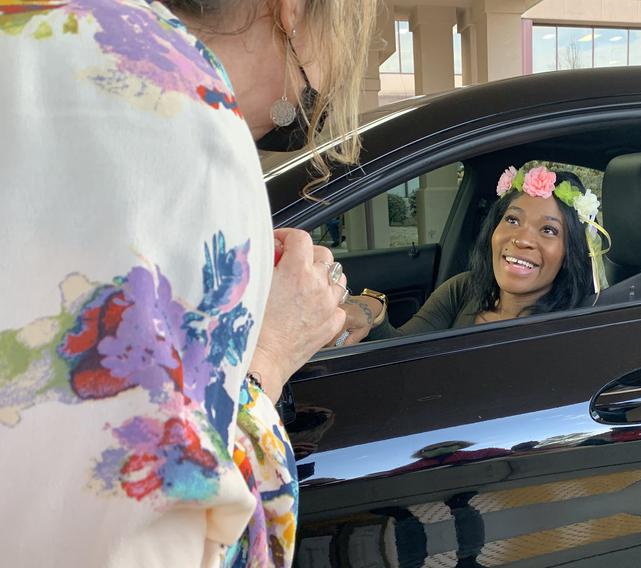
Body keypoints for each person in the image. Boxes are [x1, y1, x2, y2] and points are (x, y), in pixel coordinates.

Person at [0, 0, 375, 566]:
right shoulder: (190, 124)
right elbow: (163, 541)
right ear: (293, 10)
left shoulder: (33, 40)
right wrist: (267, 357)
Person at [335, 165, 609, 345]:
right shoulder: (464, 289)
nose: (523, 239)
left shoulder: (575, 328)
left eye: (549, 229)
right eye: (513, 220)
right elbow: (399, 352)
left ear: (569, 252)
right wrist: (373, 309)